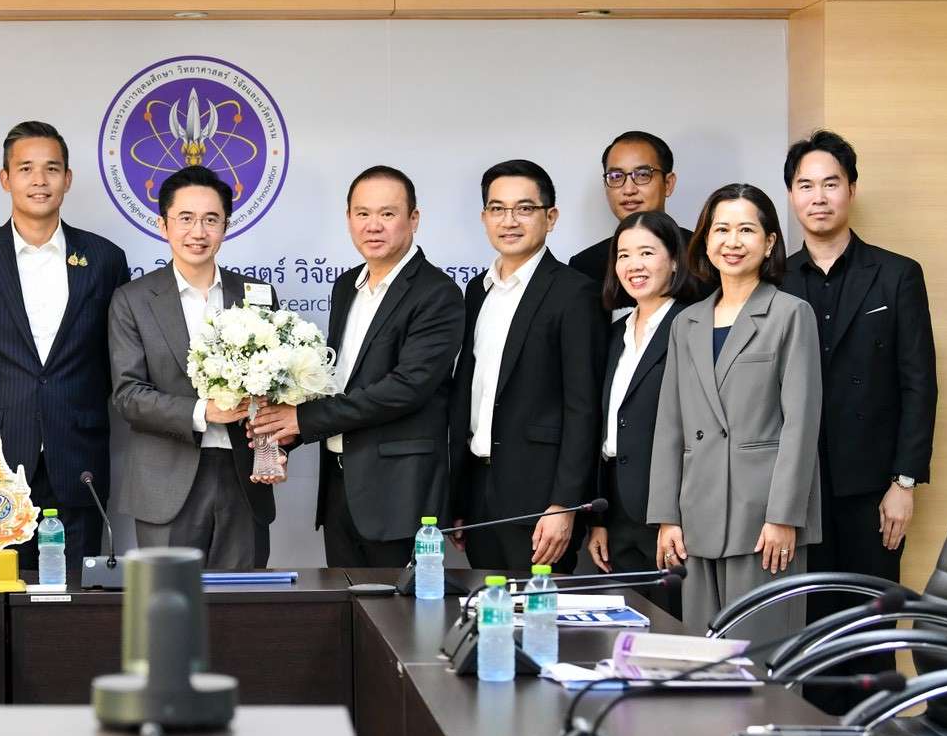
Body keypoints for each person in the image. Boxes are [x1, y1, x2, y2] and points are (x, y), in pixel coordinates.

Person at [0, 121, 130, 571]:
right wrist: (0, 406)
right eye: (25, 169)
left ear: (68, 178)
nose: (39, 180)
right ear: (5, 179)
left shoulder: (105, 259)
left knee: (78, 591)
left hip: (77, 450)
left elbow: (115, 355)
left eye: (51, 169)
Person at [780, 130, 936, 703]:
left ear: (851, 189)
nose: (818, 197)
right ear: (791, 196)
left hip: (873, 487)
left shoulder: (896, 274)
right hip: (797, 490)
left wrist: (904, 482)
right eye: (806, 185)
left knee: (871, 627)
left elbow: (919, 382)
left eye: (831, 184)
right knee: (808, 632)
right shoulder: (775, 280)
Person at [249, 166, 463, 567]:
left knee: (400, 607)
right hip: (340, 487)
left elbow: (406, 388)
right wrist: (284, 435)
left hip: (399, 493)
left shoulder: (437, 293)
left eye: (387, 213)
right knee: (346, 602)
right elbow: (339, 382)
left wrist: (302, 420)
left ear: (414, 219)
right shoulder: (347, 285)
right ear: (348, 218)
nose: (373, 225)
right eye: (362, 213)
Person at [647, 183, 822, 642]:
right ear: (706, 241)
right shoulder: (686, 322)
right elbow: (670, 425)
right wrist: (667, 516)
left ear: (769, 242)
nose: (732, 241)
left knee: (759, 655)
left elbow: (801, 425)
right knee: (701, 659)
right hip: (696, 513)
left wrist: (784, 517)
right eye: (721, 229)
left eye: (746, 230)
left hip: (762, 518)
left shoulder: (790, 314)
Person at [108, 165, 277, 569]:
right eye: (185, 218)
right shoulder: (132, 300)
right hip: (166, 481)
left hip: (244, 477)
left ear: (226, 226)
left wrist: (274, 446)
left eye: (210, 219)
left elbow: (276, 388)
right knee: (169, 602)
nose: (198, 232)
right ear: (162, 224)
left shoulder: (257, 295)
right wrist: (205, 412)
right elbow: (128, 395)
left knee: (243, 601)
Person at [452, 159, 605, 572]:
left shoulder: (575, 293)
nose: (509, 221)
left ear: (550, 217)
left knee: (538, 612)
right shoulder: (477, 291)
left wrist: (564, 504)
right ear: (484, 217)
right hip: (481, 494)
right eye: (497, 209)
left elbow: (584, 407)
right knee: (487, 610)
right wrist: (459, 497)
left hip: (541, 503)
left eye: (524, 208)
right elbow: (470, 394)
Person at [583, 211, 699, 607]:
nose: (634, 265)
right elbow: (607, 426)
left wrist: (673, 516)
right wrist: (599, 520)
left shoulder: (692, 326)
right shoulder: (615, 332)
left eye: (647, 253)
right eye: (624, 255)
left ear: (675, 261)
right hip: (617, 507)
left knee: (671, 625)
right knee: (626, 625)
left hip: (669, 509)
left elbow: (696, 428)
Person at [569, 130, 697, 290]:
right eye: (616, 176)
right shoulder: (584, 266)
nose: (628, 190)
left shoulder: (703, 253)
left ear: (668, 184)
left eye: (643, 174)